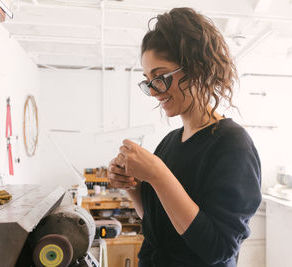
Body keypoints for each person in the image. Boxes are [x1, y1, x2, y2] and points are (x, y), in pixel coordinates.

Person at [108, 7, 262, 267]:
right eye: (148, 81)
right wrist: (132, 185)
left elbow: (218, 249)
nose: (155, 91)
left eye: (160, 77)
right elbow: (159, 225)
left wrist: (157, 174)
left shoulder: (234, 145)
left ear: (196, 68)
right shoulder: (170, 142)